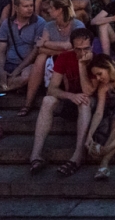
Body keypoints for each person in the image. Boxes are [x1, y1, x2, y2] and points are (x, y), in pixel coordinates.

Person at [27, 28, 96, 177]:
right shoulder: (65, 57)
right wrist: (70, 95)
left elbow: (89, 90)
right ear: (72, 47)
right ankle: (36, 155)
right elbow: (52, 88)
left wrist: (82, 65)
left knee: (85, 101)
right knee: (47, 100)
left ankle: (77, 156)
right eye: (78, 49)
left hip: (92, 102)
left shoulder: (98, 59)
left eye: (86, 48)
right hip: (72, 98)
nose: (82, 52)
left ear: (92, 46)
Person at [0, 0, 46, 116]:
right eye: (25, 6)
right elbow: (0, 49)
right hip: (7, 62)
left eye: (31, 6)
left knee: (26, 76)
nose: (30, 9)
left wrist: (18, 69)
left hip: (26, 65)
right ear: (16, 8)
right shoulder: (7, 23)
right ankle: (6, 85)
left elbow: (35, 51)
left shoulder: (39, 23)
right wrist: (1, 70)